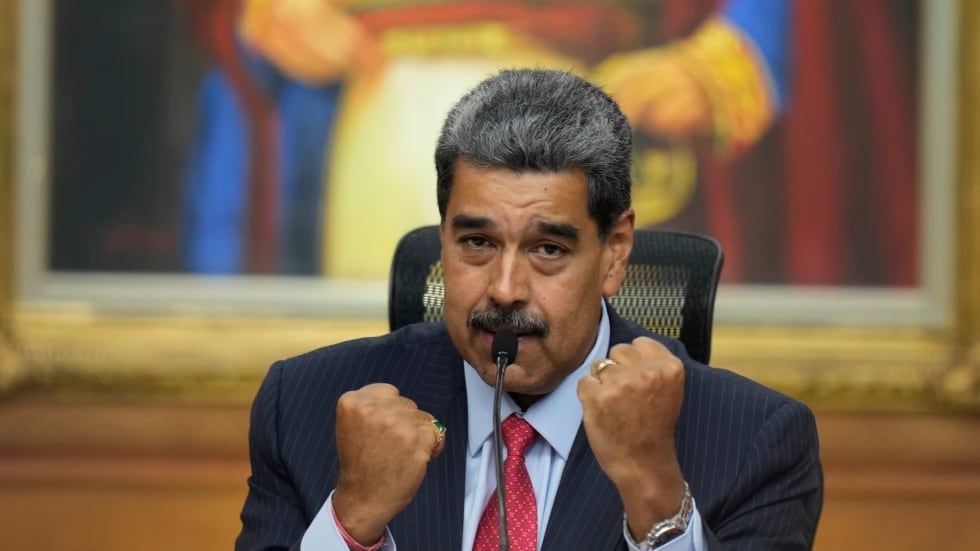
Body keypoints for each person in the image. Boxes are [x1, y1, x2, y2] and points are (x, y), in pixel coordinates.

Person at [235, 68, 823, 550]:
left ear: (615, 253)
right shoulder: (305, 407)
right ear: (443, 238)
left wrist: (657, 496)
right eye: (477, 242)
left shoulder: (753, 441)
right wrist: (350, 523)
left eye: (548, 249)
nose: (504, 289)